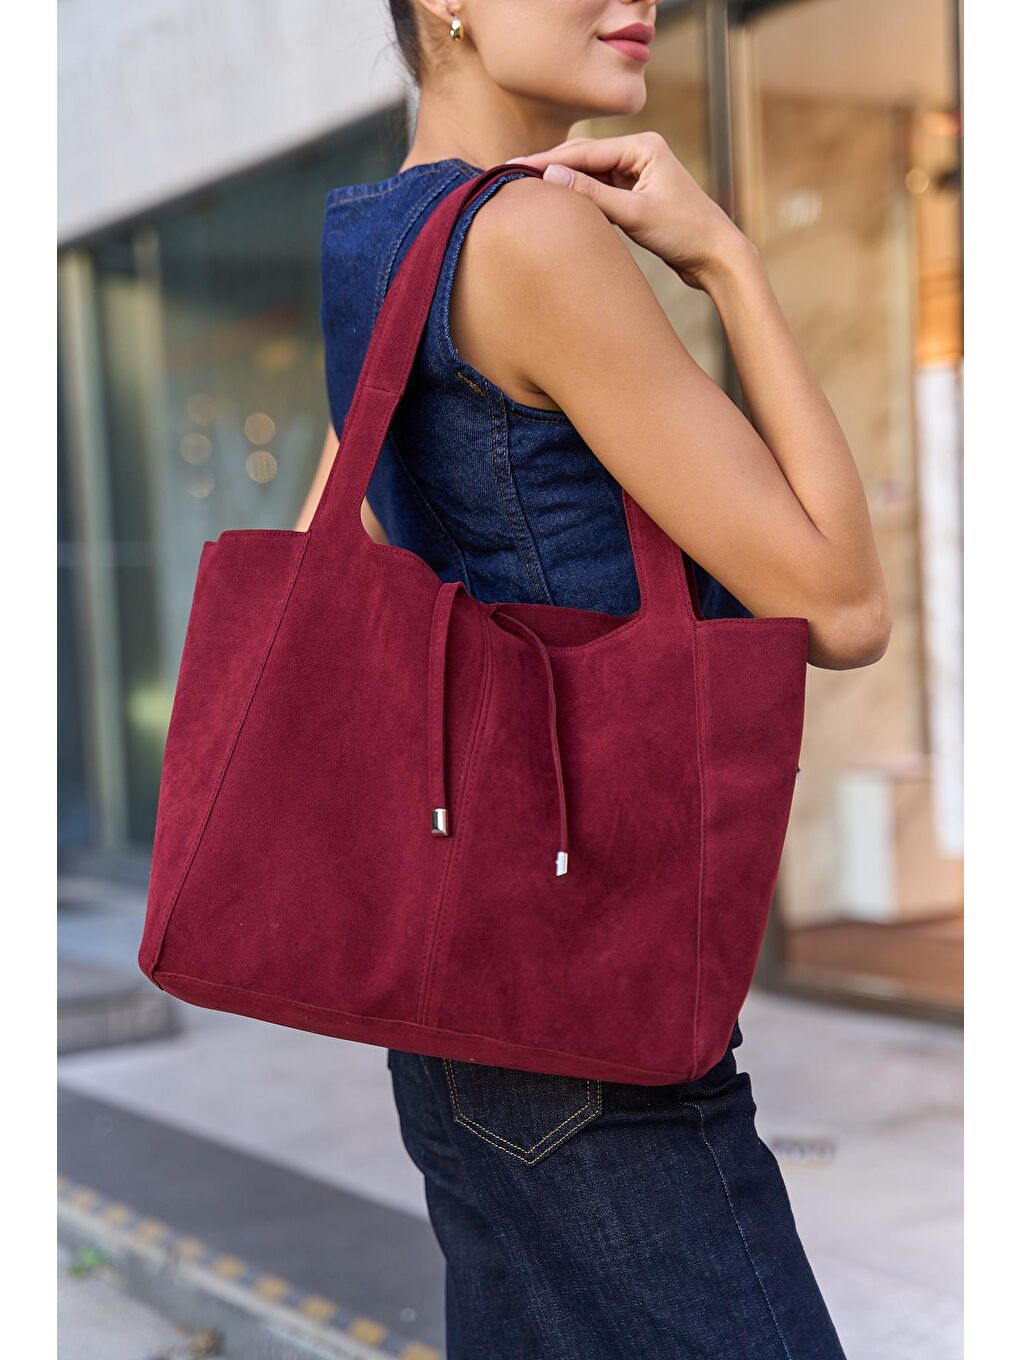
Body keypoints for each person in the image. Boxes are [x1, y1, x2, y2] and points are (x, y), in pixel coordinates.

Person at [297, 3, 890, 1355]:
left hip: (453, 996)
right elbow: (845, 607)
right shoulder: (535, 238)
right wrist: (727, 259)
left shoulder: (373, 239)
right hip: (590, 1000)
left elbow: (367, 538)